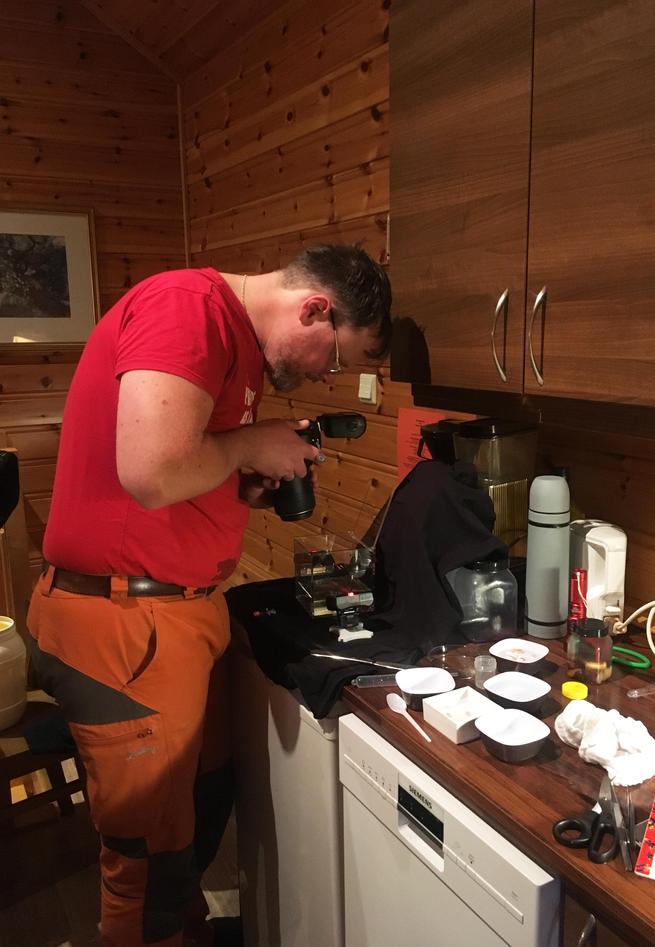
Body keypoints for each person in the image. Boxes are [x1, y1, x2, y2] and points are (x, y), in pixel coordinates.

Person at [26, 244, 392, 947]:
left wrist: (240, 481)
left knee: (203, 801)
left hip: (173, 618)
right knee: (148, 864)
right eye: (338, 357)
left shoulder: (238, 349)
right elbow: (151, 469)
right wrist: (250, 443)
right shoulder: (189, 310)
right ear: (317, 308)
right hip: (124, 626)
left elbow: (185, 464)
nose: (328, 376)